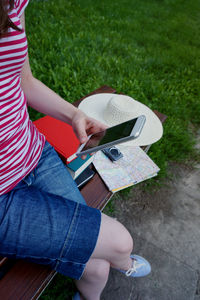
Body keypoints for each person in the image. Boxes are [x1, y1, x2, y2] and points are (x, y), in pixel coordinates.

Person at [0, 1, 151, 299]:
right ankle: (125, 264)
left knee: (96, 267)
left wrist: (73, 116)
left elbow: (22, 80)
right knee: (118, 245)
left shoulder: (11, 3)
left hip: (32, 153)